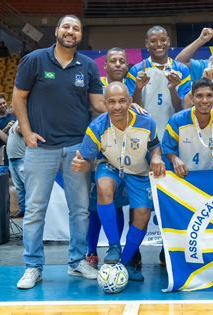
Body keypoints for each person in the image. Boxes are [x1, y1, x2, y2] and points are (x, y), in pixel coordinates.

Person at [12, 15, 104, 289]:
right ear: (57, 31)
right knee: (34, 210)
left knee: (80, 210)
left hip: (77, 147)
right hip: (41, 148)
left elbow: (98, 102)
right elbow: (19, 97)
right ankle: (32, 266)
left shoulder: (87, 65)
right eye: (66, 26)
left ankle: (77, 262)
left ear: (80, 35)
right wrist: (26, 132)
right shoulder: (36, 60)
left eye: (76, 28)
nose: (71, 31)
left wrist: (127, 104)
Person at [72, 82, 165, 281]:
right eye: (112, 102)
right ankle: (114, 246)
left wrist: (156, 157)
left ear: (130, 102)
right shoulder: (97, 127)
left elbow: (155, 146)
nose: (117, 106)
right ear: (105, 104)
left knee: (142, 214)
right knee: (103, 186)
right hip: (111, 166)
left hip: (139, 172)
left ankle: (124, 262)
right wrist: (82, 166)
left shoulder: (146, 121)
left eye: (122, 101)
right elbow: (87, 161)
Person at [86, 47, 130, 268]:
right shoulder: (96, 86)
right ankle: (91, 251)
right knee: (96, 205)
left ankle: (118, 246)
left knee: (119, 205)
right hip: (100, 155)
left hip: (127, 156)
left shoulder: (133, 86)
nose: (118, 64)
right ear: (106, 65)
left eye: (122, 61)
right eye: (113, 61)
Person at [163, 78, 213, 177]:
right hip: (180, 176)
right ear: (191, 97)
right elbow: (167, 148)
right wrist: (174, 159)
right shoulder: (177, 120)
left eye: (209, 96)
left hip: (209, 177)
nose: (204, 101)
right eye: (199, 96)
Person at [126, 26, 191, 139]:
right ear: (146, 44)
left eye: (163, 40)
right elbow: (132, 108)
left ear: (169, 41)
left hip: (173, 131)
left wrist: (172, 89)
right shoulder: (136, 71)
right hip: (145, 131)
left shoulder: (181, 70)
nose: (159, 44)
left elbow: (182, 108)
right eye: (153, 41)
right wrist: (138, 88)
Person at [7, 121, 26, 218]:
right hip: (12, 159)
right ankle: (22, 209)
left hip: (22, 158)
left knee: (27, 186)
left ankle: (30, 211)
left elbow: (22, 131)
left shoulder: (23, 118)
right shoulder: (14, 122)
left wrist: (20, 127)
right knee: (19, 188)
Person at [0, 94, 17, 165]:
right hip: (1, 151)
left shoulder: (13, 114)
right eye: (0, 104)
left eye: (4, 103)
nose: (3, 105)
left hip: (14, 150)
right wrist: (6, 128)